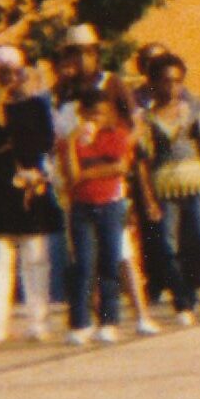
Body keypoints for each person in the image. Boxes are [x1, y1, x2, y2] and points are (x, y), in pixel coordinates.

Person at [136, 54, 200, 324]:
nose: (172, 88)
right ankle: (183, 302)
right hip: (164, 186)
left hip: (196, 182)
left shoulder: (196, 110)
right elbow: (142, 163)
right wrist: (147, 199)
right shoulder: (146, 119)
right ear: (154, 83)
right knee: (169, 246)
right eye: (166, 81)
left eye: (177, 82)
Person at [0, 46, 61, 343]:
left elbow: (44, 141)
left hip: (31, 186)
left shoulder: (36, 105)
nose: (9, 77)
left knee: (35, 257)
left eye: (13, 70)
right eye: (1, 71)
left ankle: (37, 318)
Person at [60, 88, 137, 345]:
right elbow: (71, 175)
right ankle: (80, 323)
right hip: (82, 206)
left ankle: (109, 321)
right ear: (81, 114)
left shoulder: (116, 135)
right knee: (83, 264)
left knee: (109, 262)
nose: (96, 120)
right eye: (91, 114)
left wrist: (86, 174)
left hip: (110, 205)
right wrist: (73, 142)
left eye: (102, 114)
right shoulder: (71, 140)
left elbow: (120, 167)